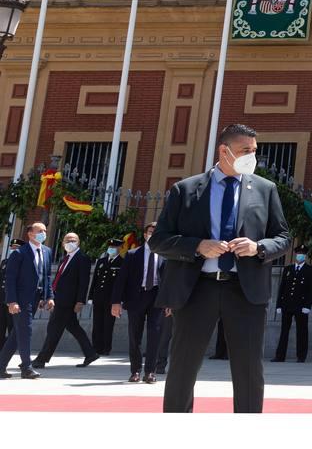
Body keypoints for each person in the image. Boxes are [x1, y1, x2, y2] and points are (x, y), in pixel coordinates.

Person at [151, 123, 292, 414]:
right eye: (244, 151)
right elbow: (159, 240)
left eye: (254, 151)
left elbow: (283, 237)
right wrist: (197, 246)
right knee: (182, 366)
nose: (251, 157)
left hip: (245, 289)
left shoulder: (265, 190)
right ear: (224, 151)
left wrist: (258, 247)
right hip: (196, 288)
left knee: (249, 369)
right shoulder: (186, 189)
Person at [33, 231, 96, 369]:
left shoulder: (82, 258)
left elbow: (83, 282)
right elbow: (57, 280)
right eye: (67, 240)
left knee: (54, 329)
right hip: (59, 298)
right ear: (62, 243)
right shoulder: (64, 259)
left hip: (68, 301)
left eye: (73, 240)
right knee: (73, 327)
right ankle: (90, 353)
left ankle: (41, 359)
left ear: (78, 242)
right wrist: (49, 296)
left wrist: (80, 301)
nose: (70, 243)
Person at [113, 222, 165, 383]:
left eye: (157, 232)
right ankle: (135, 370)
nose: (153, 234)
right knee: (134, 335)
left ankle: (150, 372)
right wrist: (116, 302)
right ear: (145, 234)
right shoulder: (132, 254)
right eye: (150, 231)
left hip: (157, 297)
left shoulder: (166, 255)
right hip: (136, 297)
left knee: (155, 335)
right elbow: (121, 280)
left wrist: (170, 302)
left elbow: (170, 281)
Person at [0, 222, 52, 380]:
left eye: (44, 230)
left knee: (17, 334)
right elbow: (10, 279)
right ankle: (26, 368)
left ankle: (1, 366)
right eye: (39, 231)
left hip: (36, 299)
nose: (43, 233)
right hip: (21, 300)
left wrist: (49, 297)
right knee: (26, 331)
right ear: (30, 234)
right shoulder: (19, 253)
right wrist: (12, 301)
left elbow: (47, 276)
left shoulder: (47, 251)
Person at [273, 245, 312, 362]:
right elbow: (282, 288)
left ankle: (301, 356)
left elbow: (311, 290)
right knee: (284, 331)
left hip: (301, 305)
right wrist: (279, 304)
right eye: (298, 253)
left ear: (305, 256)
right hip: (287, 304)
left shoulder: (310, 270)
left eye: (302, 253)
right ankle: (280, 356)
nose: (300, 255)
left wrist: (307, 306)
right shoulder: (288, 269)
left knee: (302, 331)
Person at [89, 238, 122, 356]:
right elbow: (95, 280)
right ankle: (95, 346)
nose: (111, 249)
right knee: (97, 322)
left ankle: (106, 347)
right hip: (98, 297)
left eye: (114, 247)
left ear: (119, 248)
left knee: (108, 324)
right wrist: (91, 296)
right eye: (110, 247)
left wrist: (119, 300)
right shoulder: (101, 261)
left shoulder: (121, 262)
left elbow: (121, 283)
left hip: (111, 299)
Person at [0, 239, 20, 350]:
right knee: (1, 326)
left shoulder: (22, 263)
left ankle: (9, 350)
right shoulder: (4, 262)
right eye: (12, 247)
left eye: (16, 248)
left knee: (12, 327)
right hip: (2, 300)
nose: (13, 249)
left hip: (12, 301)